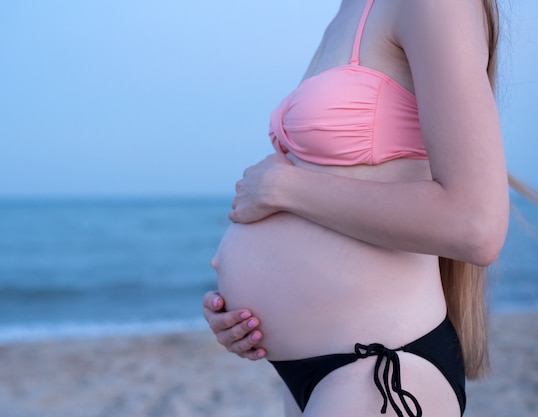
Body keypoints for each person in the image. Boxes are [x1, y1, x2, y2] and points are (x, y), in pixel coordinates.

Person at [203, 0, 516, 416]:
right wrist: (244, 316)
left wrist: (286, 187)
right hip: (319, 377)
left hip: (380, 371)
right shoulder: (347, 11)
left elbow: (476, 225)